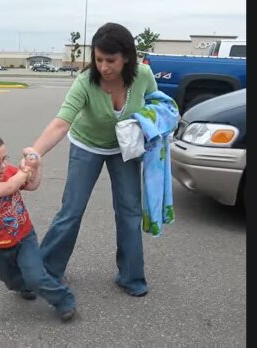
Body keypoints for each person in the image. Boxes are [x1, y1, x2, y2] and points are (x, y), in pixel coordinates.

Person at [22, 23, 160, 297]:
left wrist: (157, 125)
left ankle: (131, 276)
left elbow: (157, 103)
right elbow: (61, 123)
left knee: (130, 211)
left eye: (111, 60)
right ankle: (43, 275)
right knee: (71, 211)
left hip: (125, 148)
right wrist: (35, 153)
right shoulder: (86, 81)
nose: (103, 67)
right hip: (88, 144)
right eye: (98, 59)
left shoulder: (143, 75)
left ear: (127, 58)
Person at [0, 131, 77, 321]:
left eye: (4, 159)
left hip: (24, 235)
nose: (2, 166)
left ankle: (63, 299)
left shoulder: (8, 171)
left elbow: (32, 185)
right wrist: (24, 172)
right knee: (10, 281)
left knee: (35, 276)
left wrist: (36, 165)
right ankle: (24, 286)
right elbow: (8, 188)